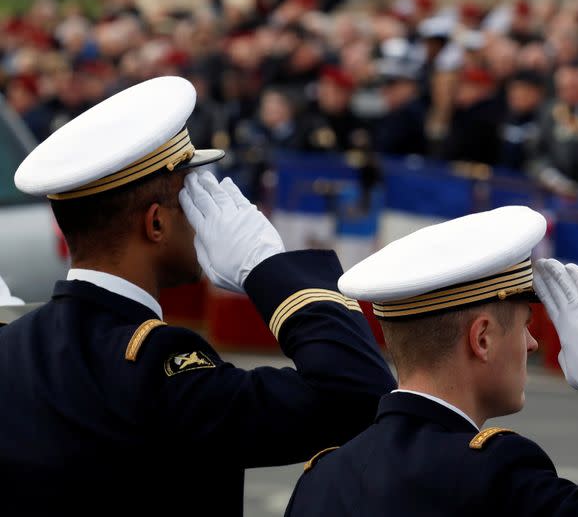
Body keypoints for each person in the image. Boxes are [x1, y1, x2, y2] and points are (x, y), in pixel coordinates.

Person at [0, 76, 395, 515]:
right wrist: (266, 268)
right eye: (191, 199)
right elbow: (359, 392)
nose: (205, 217)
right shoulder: (159, 372)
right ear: (156, 224)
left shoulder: (11, 346)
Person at [285, 206, 578, 516]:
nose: (532, 345)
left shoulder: (322, 478)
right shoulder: (492, 476)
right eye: (524, 325)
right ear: (482, 338)